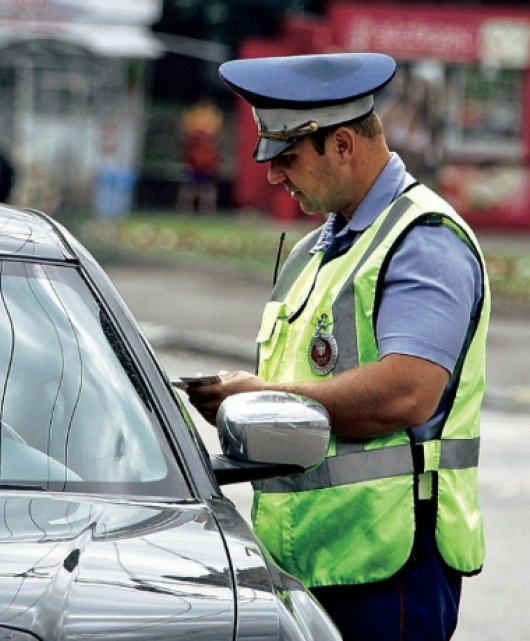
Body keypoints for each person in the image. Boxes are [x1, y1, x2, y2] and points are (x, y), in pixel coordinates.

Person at [188, 53, 489, 641]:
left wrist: (262, 395)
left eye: (289, 157)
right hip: (304, 563)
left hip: (386, 568)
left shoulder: (422, 240)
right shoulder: (318, 249)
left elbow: (407, 393)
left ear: (344, 145)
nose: (275, 176)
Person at [176, 95, 223, 214]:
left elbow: (217, 137)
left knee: (207, 185)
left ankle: (207, 209)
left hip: (208, 155)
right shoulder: (193, 114)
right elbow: (185, 134)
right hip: (194, 154)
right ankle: (185, 208)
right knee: (190, 184)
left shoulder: (214, 115)